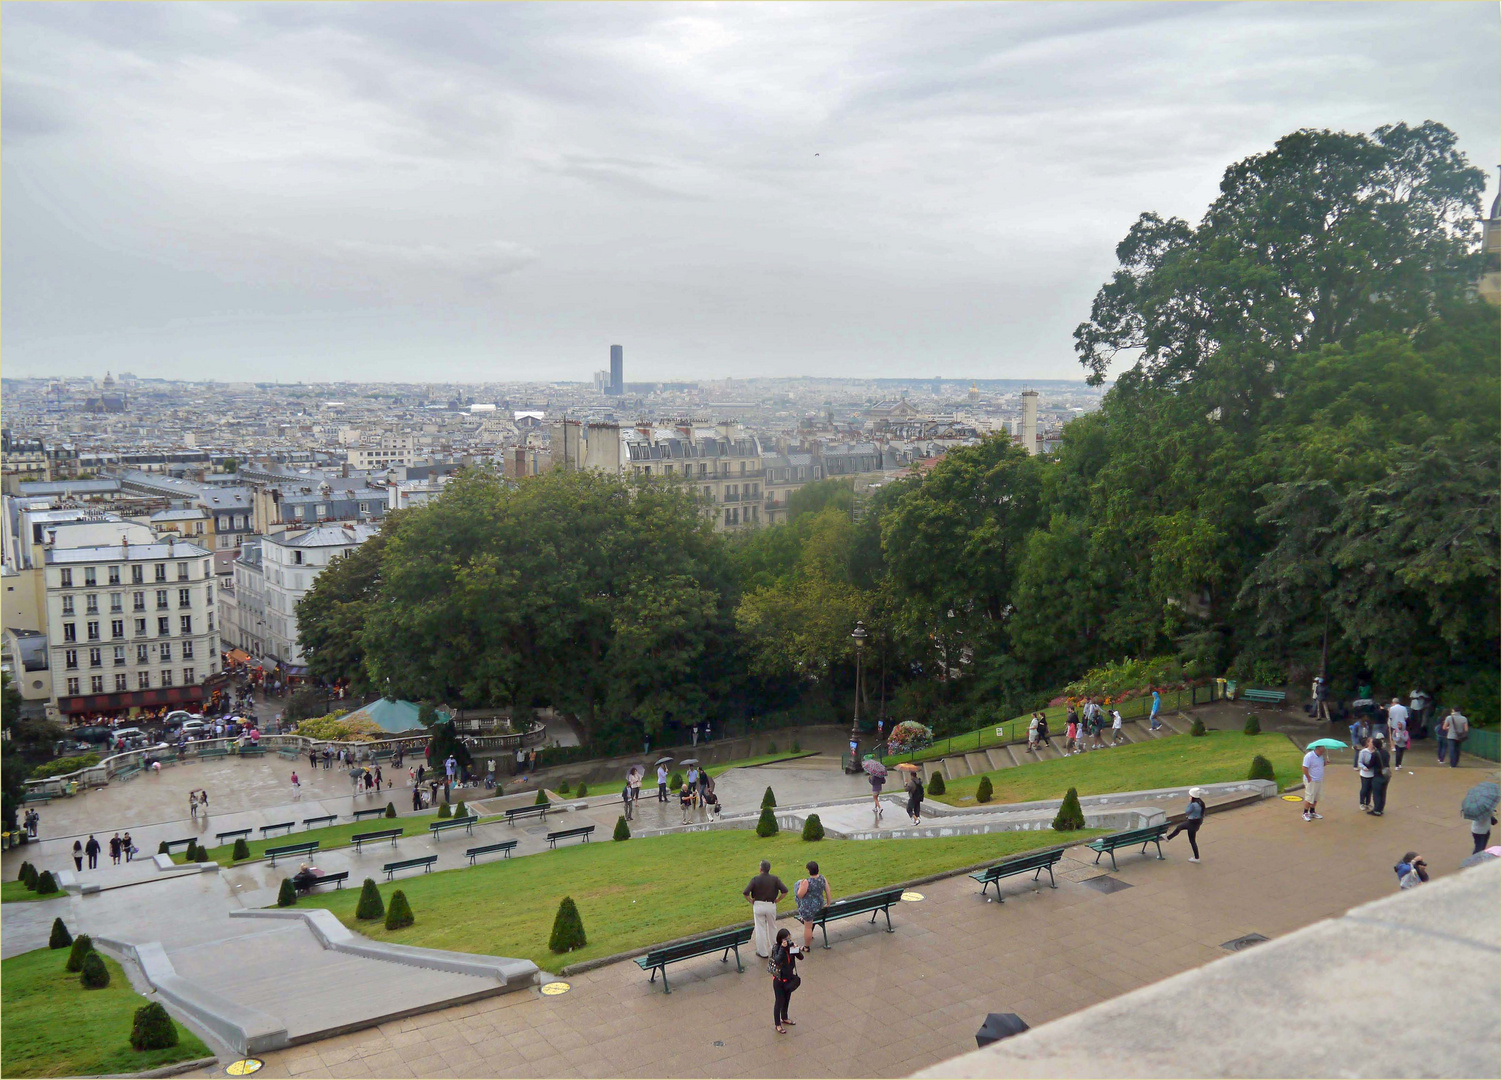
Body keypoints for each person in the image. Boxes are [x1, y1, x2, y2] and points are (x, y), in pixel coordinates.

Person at [744, 859, 788, 957]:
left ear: (760, 869)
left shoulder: (755, 879)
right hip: (770, 905)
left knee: (760, 929)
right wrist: (778, 900)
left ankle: (762, 952)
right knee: (772, 927)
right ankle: (775, 949)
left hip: (759, 905)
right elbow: (785, 891)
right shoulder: (775, 879)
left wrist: (751, 901)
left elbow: (745, 893)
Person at [794, 861, 832, 953]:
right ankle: (803, 917)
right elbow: (828, 891)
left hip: (809, 909)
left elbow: (800, 895)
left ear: (808, 871)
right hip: (819, 906)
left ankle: (806, 947)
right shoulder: (822, 878)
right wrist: (828, 903)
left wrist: (800, 886)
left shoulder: (807, 882)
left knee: (808, 927)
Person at [770, 927, 801, 1034]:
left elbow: (801, 957)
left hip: (788, 978)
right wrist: (783, 948)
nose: (788, 941)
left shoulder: (790, 947)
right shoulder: (777, 948)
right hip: (779, 980)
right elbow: (777, 960)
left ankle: (784, 1017)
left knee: (787, 999)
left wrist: (796, 949)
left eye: (789, 938)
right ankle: (777, 1024)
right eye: (786, 939)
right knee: (779, 1001)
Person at [1164, 787, 1206, 862]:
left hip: (1191, 823)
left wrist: (1190, 803)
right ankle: (1168, 838)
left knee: (1192, 840)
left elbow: (1187, 812)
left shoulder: (1193, 805)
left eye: (1190, 796)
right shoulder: (1201, 803)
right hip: (1196, 823)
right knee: (1179, 827)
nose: (1189, 797)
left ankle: (1197, 858)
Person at [1367, 734, 1390, 816]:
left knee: (1376, 793)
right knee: (1383, 792)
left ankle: (1376, 810)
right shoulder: (1386, 752)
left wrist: (1364, 764)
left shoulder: (1375, 754)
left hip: (1378, 775)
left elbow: (1370, 765)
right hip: (1386, 775)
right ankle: (1381, 808)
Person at [1301, 745, 1326, 821]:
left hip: (1318, 779)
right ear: (1317, 749)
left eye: (1323, 751)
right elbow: (1304, 767)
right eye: (1321, 751)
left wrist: (1325, 763)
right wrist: (1308, 777)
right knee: (1309, 796)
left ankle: (1312, 811)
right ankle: (1305, 813)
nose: (1322, 753)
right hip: (1311, 780)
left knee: (1316, 797)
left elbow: (1319, 765)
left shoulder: (1320, 757)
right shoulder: (1309, 756)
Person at [1356, 737, 1377, 811]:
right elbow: (1359, 762)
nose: (1373, 744)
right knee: (1364, 788)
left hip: (1372, 773)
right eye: (1371, 742)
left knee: (1370, 789)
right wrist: (1363, 767)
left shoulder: (1375, 752)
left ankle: (1367, 803)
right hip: (1364, 774)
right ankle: (1362, 803)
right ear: (1368, 743)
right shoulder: (1363, 752)